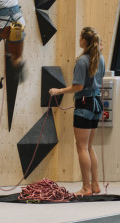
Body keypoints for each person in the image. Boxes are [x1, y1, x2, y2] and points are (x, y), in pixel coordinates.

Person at [48, 26, 105, 196]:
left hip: (85, 104)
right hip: (96, 103)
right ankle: (94, 185)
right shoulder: (99, 58)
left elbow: (78, 86)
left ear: (84, 41)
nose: (78, 40)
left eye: (80, 38)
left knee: (81, 148)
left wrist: (59, 91)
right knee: (88, 146)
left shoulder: (82, 61)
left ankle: (86, 188)